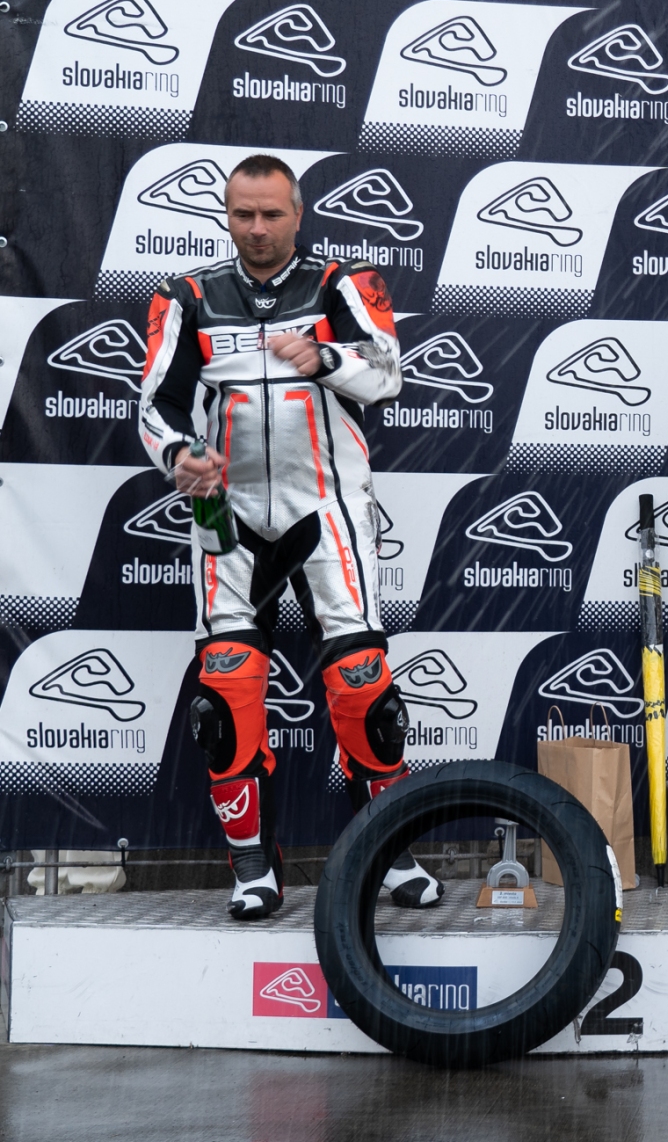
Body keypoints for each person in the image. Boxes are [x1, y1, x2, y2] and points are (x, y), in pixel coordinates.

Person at [139, 154, 441, 920]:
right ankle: (253, 868)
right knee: (226, 695)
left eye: (272, 213)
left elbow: (389, 373)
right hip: (226, 515)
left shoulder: (342, 283)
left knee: (364, 688)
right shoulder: (187, 296)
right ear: (226, 214)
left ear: (298, 214)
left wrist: (326, 356)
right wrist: (178, 455)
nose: (257, 228)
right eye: (243, 213)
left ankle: (390, 851)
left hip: (327, 510)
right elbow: (156, 403)